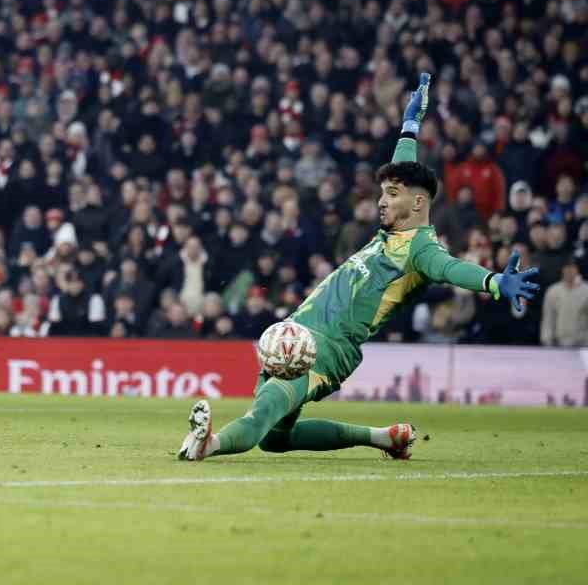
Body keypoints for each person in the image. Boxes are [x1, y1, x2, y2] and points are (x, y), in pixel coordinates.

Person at [178, 75, 539, 461]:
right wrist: (410, 125)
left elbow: (451, 268)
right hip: (298, 330)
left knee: (263, 411)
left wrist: (494, 281)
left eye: (392, 195)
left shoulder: (421, 248)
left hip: (324, 347)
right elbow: (404, 165)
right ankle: (386, 438)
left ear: (418, 205)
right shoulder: (391, 234)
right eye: (382, 192)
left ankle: (208, 444)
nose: (381, 201)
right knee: (274, 438)